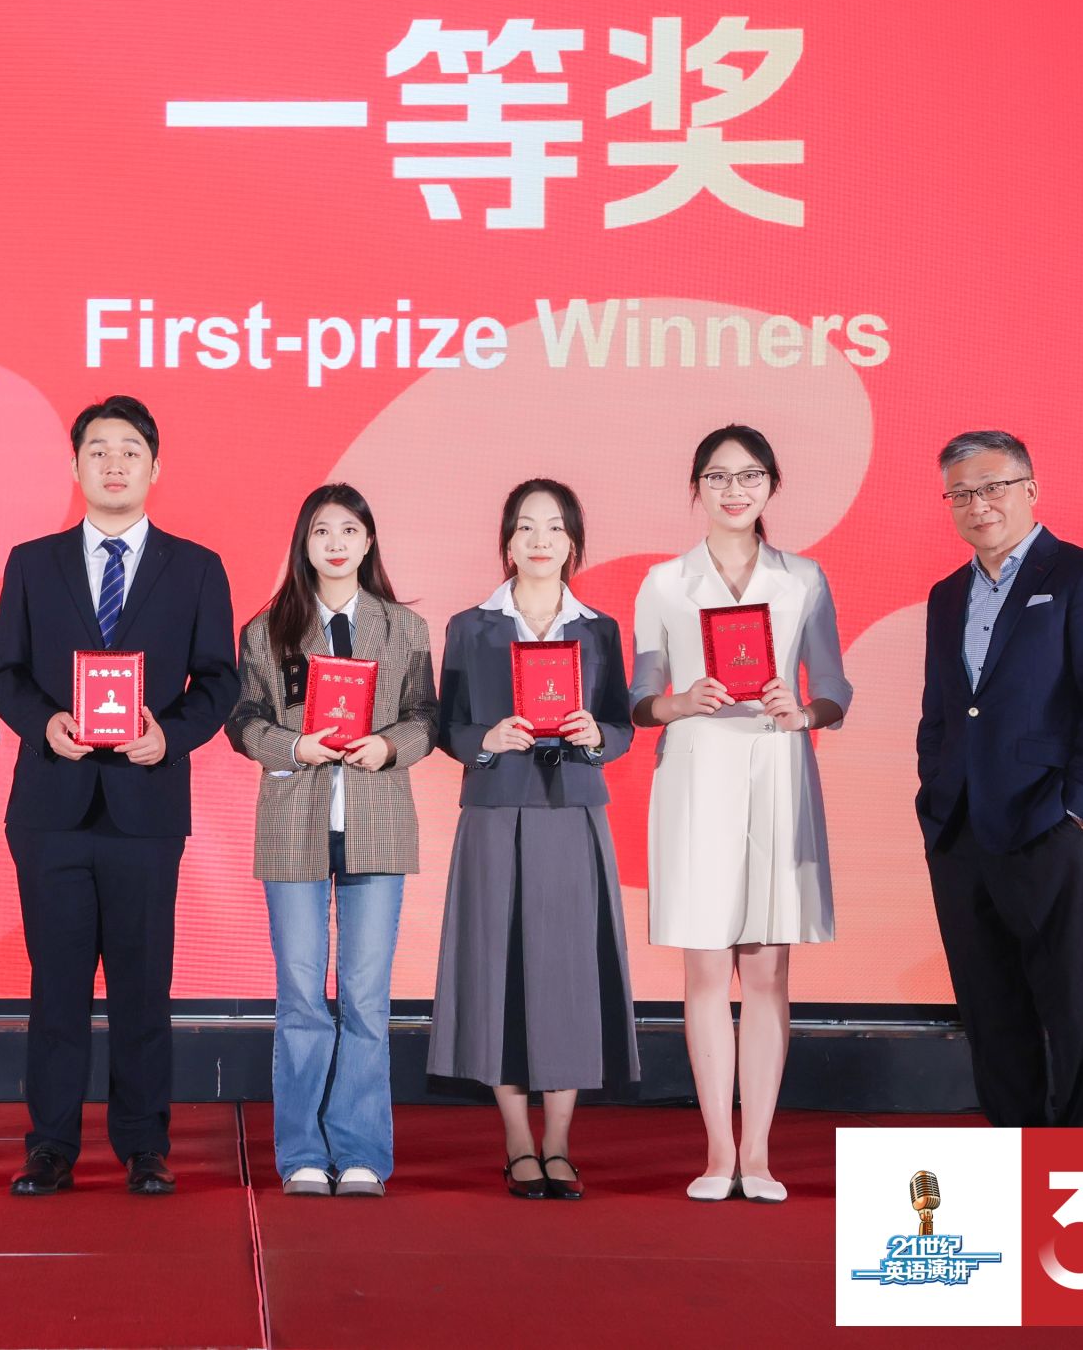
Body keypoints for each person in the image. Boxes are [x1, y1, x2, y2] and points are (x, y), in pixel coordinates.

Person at [0, 395, 239, 1196]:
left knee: (143, 986)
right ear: (75, 466)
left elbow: (220, 680)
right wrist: (45, 722)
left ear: (155, 467)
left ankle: (143, 1144)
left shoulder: (196, 567)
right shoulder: (33, 562)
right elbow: (5, 673)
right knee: (56, 988)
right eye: (98, 450)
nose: (114, 463)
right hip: (52, 808)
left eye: (130, 450)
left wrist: (171, 734)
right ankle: (50, 1145)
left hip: (146, 805)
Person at [630, 424, 850, 1205]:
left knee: (765, 969)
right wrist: (679, 701)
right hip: (695, 774)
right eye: (718, 476)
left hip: (776, 769)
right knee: (703, 969)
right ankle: (716, 1150)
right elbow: (639, 696)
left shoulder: (804, 579)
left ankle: (757, 1152)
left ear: (771, 485)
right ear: (696, 487)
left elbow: (835, 688)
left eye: (750, 475)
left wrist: (806, 710)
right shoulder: (665, 582)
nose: (734, 489)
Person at [917, 430, 1083, 1127]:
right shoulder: (946, 594)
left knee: (1068, 1000)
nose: (977, 505)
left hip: (1048, 819)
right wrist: (934, 789)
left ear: (1030, 490)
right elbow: (940, 711)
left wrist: (1080, 808)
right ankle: (1013, 1145)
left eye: (992, 487)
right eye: (960, 494)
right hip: (958, 826)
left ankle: (1075, 1156)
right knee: (987, 1004)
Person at [225, 484, 437, 1198]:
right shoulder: (268, 629)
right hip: (294, 824)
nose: (336, 543)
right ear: (304, 543)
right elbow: (243, 720)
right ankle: (302, 1153)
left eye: (350, 529)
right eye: (322, 531)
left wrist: (389, 746)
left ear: (369, 540)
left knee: (366, 997)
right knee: (301, 995)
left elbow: (426, 717)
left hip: (378, 824)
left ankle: (362, 1150)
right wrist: (294, 745)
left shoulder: (403, 628)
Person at [429, 479, 638, 1200]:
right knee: (499, 971)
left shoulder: (599, 629)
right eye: (526, 526)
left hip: (572, 810)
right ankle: (518, 1141)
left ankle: (558, 1144)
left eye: (554, 527)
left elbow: (621, 725)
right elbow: (447, 726)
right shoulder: (470, 626)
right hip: (494, 810)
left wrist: (597, 735)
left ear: (572, 541)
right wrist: (484, 741)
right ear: (508, 542)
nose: (540, 539)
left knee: (567, 974)